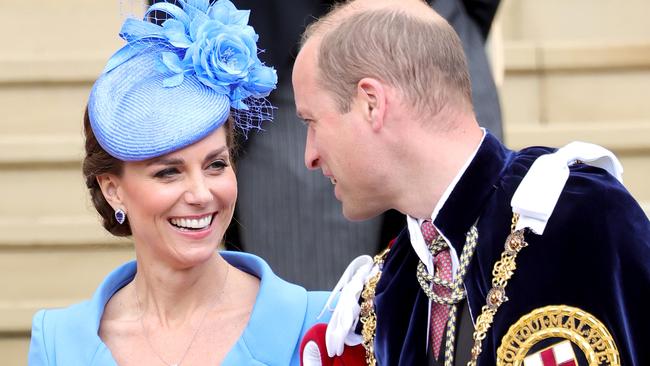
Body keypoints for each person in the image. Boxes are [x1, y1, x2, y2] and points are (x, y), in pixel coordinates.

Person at [292, 0, 650, 365]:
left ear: (371, 103)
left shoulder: (575, 212)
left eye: (311, 122)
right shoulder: (387, 290)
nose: (310, 156)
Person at [28, 1, 330, 365]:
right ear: (113, 189)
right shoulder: (60, 343)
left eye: (216, 165)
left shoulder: (315, 324)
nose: (202, 194)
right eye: (168, 172)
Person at [228, 0, 503, 291]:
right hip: (289, 36)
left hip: (438, 31)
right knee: (321, 310)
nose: (310, 157)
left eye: (311, 124)